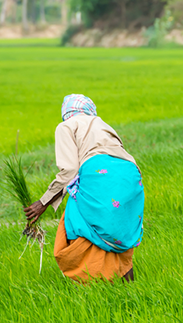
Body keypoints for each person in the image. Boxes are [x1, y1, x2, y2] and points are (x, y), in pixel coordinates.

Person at [23, 94, 144, 283]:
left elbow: (70, 170)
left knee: (76, 223)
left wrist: (43, 202)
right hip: (131, 175)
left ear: (66, 112)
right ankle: (129, 287)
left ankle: (87, 283)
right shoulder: (102, 123)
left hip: (99, 172)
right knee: (117, 230)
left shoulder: (66, 126)